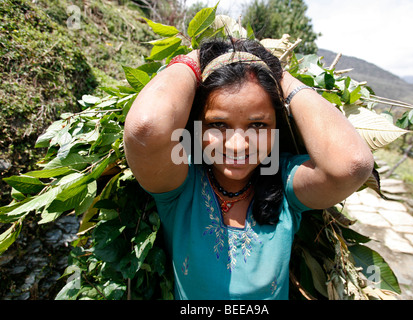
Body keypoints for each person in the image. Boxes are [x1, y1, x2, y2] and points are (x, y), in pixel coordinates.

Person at [123, 38, 373, 299]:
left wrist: (280, 75)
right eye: (218, 124)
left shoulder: (286, 183)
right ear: (196, 128)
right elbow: (146, 128)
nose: (237, 145)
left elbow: (352, 165)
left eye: (258, 125)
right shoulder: (182, 185)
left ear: (277, 128)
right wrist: (197, 58)